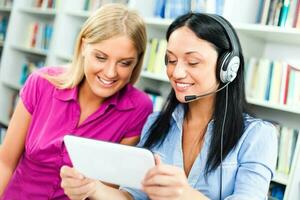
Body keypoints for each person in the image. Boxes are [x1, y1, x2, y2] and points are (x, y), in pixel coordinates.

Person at [60, 12, 278, 200]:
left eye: (192, 62)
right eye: (171, 61)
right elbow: (134, 196)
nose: (177, 73)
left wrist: (185, 194)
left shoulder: (257, 135)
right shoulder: (156, 124)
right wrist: (94, 188)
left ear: (227, 67)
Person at [0, 4, 153, 200]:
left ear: (137, 62)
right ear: (82, 47)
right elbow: (5, 162)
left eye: (124, 63)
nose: (110, 72)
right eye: (101, 57)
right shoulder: (41, 83)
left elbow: (107, 189)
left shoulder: (139, 108)